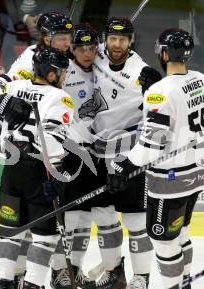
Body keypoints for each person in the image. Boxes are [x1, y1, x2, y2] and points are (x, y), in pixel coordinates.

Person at [107, 28, 204, 289]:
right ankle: (184, 283)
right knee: (181, 232)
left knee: (163, 239)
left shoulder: (159, 92)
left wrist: (124, 165)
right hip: (198, 172)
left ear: (163, 53)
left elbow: (152, 144)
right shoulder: (202, 80)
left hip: (171, 181)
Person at [0, 46, 73, 289]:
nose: (65, 77)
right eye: (62, 72)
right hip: (40, 173)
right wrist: (55, 178)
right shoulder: (60, 98)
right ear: (51, 74)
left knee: (10, 232)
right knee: (45, 237)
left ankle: (4, 283)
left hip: (10, 174)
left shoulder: (12, 89)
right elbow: (51, 140)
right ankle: (32, 284)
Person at [83, 17, 154, 289]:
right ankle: (115, 273)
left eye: (123, 40)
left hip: (128, 154)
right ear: (105, 38)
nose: (117, 44)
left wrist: (157, 86)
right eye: (112, 38)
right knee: (103, 217)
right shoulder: (96, 54)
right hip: (99, 153)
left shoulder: (141, 71)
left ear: (131, 41)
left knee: (136, 221)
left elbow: (155, 114)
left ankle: (141, 278)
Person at [49, 23, 99, 289]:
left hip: (93, 152)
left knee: (85, 216)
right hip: (69, 150)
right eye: (82, 48)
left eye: (92, 48)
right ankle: (59, 270)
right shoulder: (65, 74)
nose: (88, 54)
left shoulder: (101, 71)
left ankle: (75, 267)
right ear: (73, 48)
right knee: (67, 217)